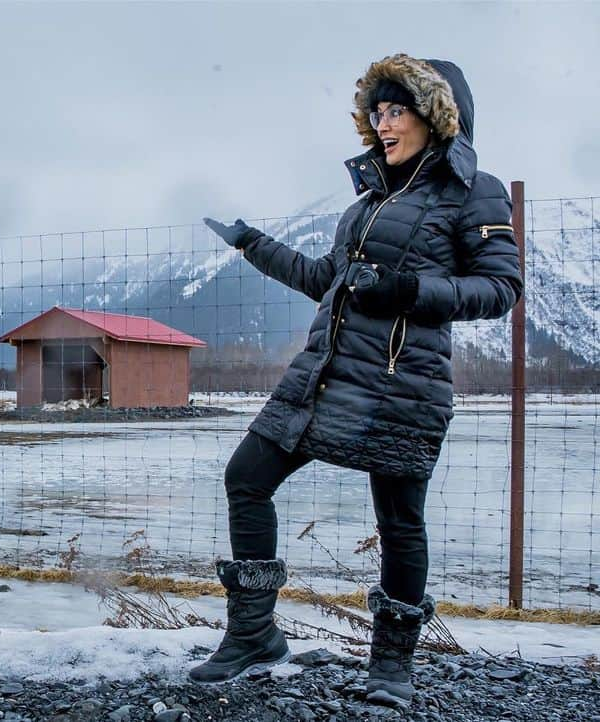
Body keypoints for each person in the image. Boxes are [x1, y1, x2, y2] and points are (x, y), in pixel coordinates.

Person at [192, 53, 523, 707]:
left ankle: (392, 667)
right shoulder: (369, 201)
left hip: (403, 382)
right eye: (377, 111)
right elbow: (328, 281)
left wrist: (406, 288)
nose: (382, 122)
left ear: (435, 117)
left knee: (400, 523)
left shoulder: (472, 191)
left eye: (397, 109)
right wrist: (252, 244)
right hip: (324, 373)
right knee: (246, 477)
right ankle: (255, 635)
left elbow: (501, 287)